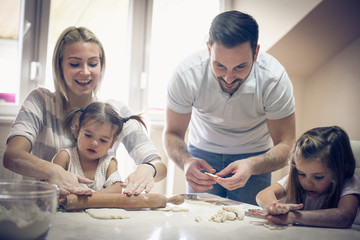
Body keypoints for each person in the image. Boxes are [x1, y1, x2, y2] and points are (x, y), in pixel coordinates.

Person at [3, 26, 166, 196]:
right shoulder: (40, 100)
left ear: (101, 66)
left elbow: (158, 165)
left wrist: (148, 169)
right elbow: (12, 155)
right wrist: (53, 171)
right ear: (60, 67)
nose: (86, 72)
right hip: (45, 210)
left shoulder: (114, 112)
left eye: (93, 63)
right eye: (75, 64)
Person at [163, 10, 295, 205]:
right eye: (220, 66)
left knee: (248, 229)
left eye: (240, 67)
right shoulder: (186, 74)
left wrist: (252, 164)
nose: (229, 78)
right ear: (209, 49)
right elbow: (172, 134)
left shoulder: (274, 79)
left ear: (256, 52)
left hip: (255, 156)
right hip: (201, 152)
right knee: (201, 226)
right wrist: (186, 161)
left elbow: (287, 145)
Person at [252, 126, 360, 228]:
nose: (307, 182)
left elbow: (345, 216)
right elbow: (262, 195)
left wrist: (294, 216)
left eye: (318, 177)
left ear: (341, 170)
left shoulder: (349, 181)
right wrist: (274, 206)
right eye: (301, 174)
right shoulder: (295, 177)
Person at [52, 101, 147, 194]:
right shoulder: (65, 157)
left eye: (103, 140)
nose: (94, 143)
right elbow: (51, 185)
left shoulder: (108, 163)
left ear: (112, 143)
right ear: (77, 131)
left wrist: (92, 198)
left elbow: (117, 188)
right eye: (88, 135)